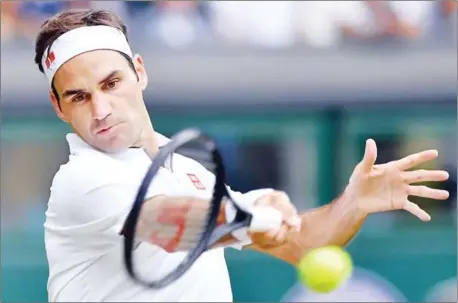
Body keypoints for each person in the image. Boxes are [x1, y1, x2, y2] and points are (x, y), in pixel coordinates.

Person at [35, 9, 450, 302]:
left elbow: (303, 244)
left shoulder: (188, 171)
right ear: (59, 107)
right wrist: (251, 215)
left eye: (111, 83)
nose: (100, 109)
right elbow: (166, 221)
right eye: (79, 96)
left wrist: (353, 203)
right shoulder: (81, 180)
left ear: (139, 72)